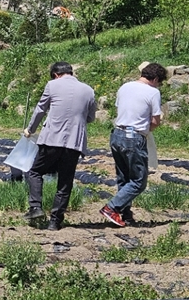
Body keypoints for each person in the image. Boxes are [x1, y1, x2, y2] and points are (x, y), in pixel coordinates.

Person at [22, 62, 96, 231]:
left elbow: (40, 109)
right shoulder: (88, 90)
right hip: (74, 142)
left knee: (35, 172)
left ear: (55, 74)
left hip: (52, 139)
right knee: (65, 182)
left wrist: (30, 129)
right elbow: (90, 117)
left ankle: (35, 207)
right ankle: (55, 222)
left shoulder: (52, 85)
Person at [100, 63, 168, 227]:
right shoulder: (153, 92)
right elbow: (155, 121)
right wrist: (146, 131)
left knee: (123, 177)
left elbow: (122, 109)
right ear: (155, 79)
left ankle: (125, 214)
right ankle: (111, 208)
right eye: (159, 82)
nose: (158, 86)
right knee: (139, 181)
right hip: (134, 137)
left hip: (117, 134)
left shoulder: (125, 87)